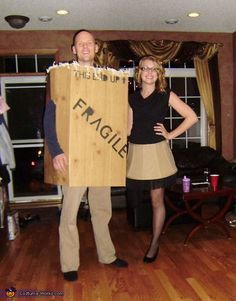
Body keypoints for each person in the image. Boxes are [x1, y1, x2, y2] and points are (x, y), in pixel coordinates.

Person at [44, 29, 128, 282]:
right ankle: (69, 263)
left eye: (89, 43)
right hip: (74, 157)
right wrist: (56, 151)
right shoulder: (61, 76)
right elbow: (49, 118)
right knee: (69, 213)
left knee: (102, 209)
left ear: (96, 48)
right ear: (73, 49)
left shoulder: (108, 79)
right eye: (80, 44)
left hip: (101, 156)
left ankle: (107, 255)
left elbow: (117, 113)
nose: (85, 47)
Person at [127, 55, 198, 263]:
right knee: (135, 199)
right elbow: (128, 128)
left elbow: (192, 117)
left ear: (159, 74)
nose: (149, 72)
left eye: (154, 69)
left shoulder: (166, 94)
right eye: (145, 68)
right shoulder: (131, 98)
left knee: (156, 200)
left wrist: (170, 135)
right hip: (136, 152)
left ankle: (155, 243)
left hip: (157, 152)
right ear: (139, 72)